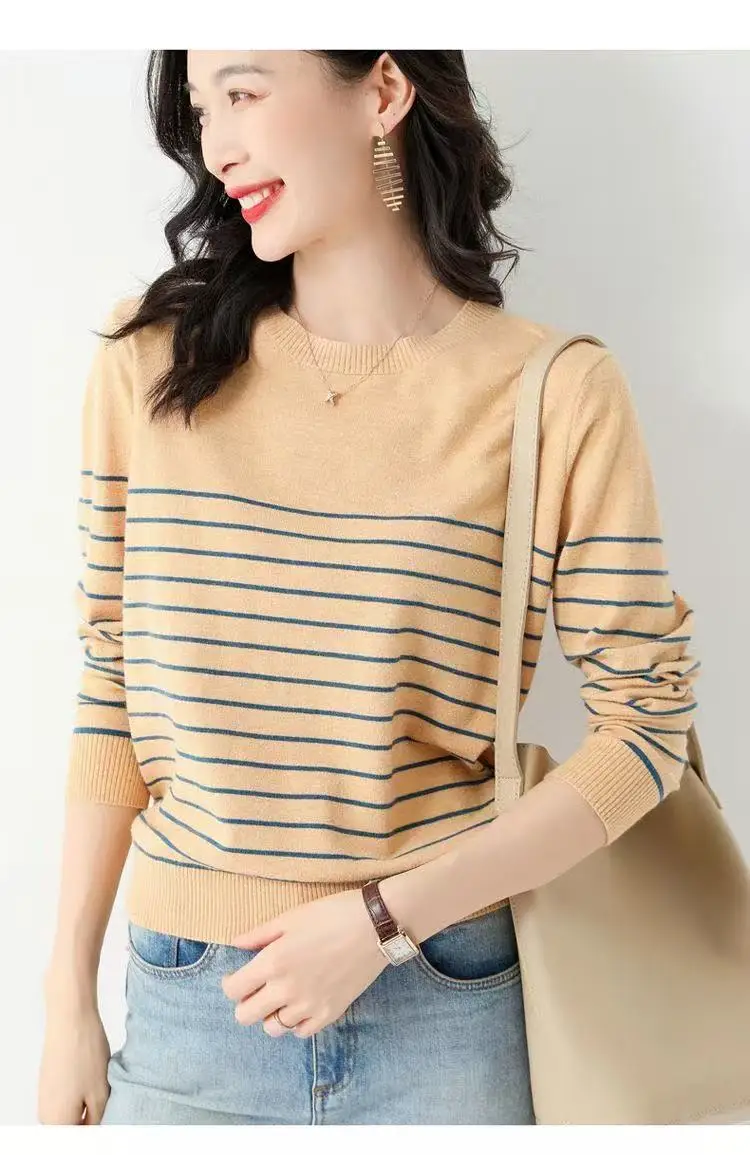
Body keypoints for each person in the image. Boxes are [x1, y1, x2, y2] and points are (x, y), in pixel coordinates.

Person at [37, 50, 700, 1126]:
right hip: (190, 1009)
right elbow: (111, 677)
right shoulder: (151, 365)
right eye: (202, 110)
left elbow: (647, 727)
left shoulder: (553, 392)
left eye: (244, 94)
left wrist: (382, 921)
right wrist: (67, 992)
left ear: (383, 92)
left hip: (445, 1009)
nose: (218, 146)